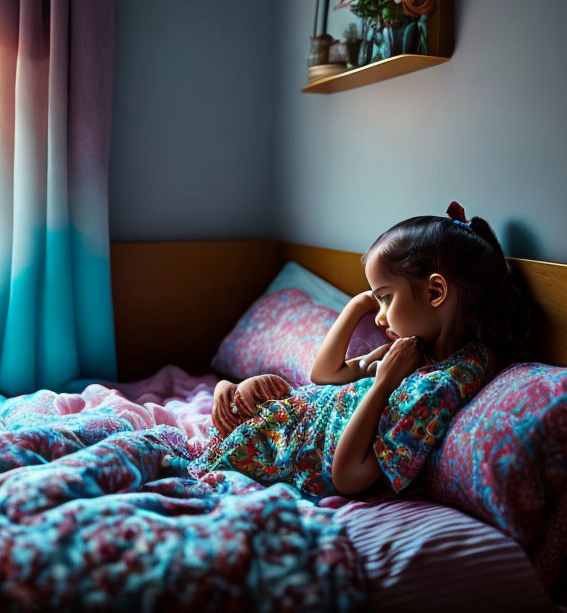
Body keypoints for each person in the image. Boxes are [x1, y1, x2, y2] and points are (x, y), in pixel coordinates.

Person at [188, 202, 535, 501]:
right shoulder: (413, 352)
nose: (380, 315)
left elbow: (348, 476)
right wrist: (358, 305)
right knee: (225, 396)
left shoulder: (438, 385)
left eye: (385, 297)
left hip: (274, 447)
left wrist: (384, 384)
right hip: (277, 418)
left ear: (434, 293)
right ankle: (227, 392)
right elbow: (323, 376)